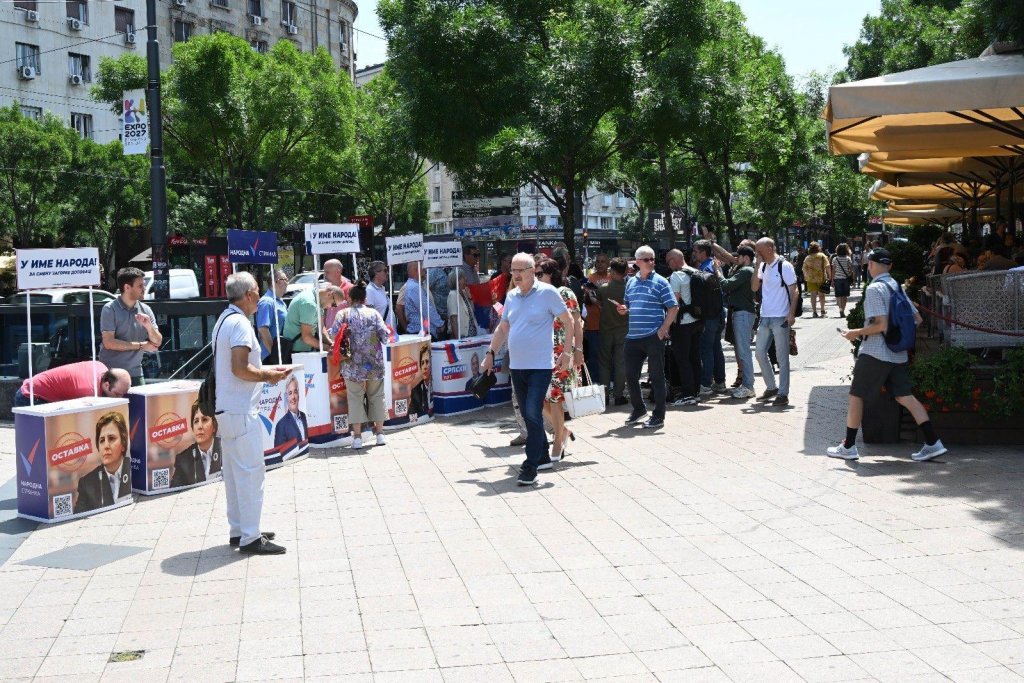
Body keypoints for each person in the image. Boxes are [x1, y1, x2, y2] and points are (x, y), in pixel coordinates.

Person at [828, 249, 947, 462]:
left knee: (856, 395)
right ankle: (932, 442)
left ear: (871, 265)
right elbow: (918, 319)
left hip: (875, 352)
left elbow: (880, 325)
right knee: (905, 396)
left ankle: (848, 446)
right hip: (898, 354)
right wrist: (897, 336)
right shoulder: (896, 286)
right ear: (889, 266)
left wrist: (855, 333)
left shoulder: (875, 289)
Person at [215, 272, 292, 555]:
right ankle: (250, 536)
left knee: (235, 474)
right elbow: (240, 368)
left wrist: (265, 373)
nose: (260, 296)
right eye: (258, 290)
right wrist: (268, 376)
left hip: (228, 408)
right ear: (248, 294)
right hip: (241, 409)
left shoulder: (225, 319)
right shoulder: (239, 323)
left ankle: (240, 530)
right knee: (250, 474)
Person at [481, 253, 574, 486]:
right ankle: (542, 455)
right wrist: (490, 354)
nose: (516, 274)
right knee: (527, 414)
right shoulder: (512, 296)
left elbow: (569, 321)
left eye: (521, 270)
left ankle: (530, 466)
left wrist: (568, 353)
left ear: (533, 271)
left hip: (540, 366)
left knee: (532, 412)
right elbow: (503, 328)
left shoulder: (548, 293)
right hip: (517, 367)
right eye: (513, 270)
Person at [615, 245, 678, 430]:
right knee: (630, 375)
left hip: (653, 336)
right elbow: (628, 306)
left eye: (652, 259)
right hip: (633, 336)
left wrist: (663, 330)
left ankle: (659, 415)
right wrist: (623, 310)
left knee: (657, 376)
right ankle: (639, 409)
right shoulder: (631, 282)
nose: (651, 262)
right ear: (637, 262)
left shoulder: (661, 282)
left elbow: (673, 307)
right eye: (646, 259)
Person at [535, 258, 584, 462]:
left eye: (540, 274)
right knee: (536, 399)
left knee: (555, 399)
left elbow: (577, 323)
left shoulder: (564, 292)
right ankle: (562, 431)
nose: (536, 278)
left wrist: (578, 350)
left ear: (551, 275)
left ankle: (557, 441)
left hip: (561, 353)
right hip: (540, 354)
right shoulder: (537, 295)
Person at [331, 281, 390, 449]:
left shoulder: (342, 314)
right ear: (365, 298)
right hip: (374, 363)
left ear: (350, 298)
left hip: (352, 364)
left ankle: (357, 438)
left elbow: (334, 334)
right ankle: (380, 434)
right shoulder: (374, 313)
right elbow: (385, 336)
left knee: (355, 398)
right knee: (377, 396)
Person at [751, 237, 799, 407]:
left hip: (780, 317)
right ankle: (771, 387)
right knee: (759, 353)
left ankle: (783, 393)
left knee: (781, 357)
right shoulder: (763, 266)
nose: (757, 253)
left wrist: (791, 314)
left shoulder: (784, 266)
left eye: (759, 250)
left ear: (770, 249)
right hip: (765, 316)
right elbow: (754, 287)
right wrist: (757, 265)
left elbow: (795, 291)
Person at [99, 266, 162, 385]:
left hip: (136, 373)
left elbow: (157, 342)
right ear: (127, 287)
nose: (144, 289)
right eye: (140, 286)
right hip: (112, 375)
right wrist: (141, 345)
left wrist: (149, 327)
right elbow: (109, 343)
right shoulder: (110, 309)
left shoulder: (146, 310)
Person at [666, 249, 703, 406]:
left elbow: (674, 303)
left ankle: (687, 394)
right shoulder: (696, 272)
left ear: (674, 260)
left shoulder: (676, 276)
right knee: (695, 357)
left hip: (683, 323)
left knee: (682, 358)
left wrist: (668, 325)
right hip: (698, 321)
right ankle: (696, 392)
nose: (668, 265)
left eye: (668, 262)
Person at [75, 411, 132, 513]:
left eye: (111, 438)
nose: (106, 446)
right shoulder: (87, 483)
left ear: (123, 444)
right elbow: (78, 516)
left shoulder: (133, 468)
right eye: (102, 440)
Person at [719, 246, 756, 399]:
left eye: (738, 257)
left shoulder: (746, 271)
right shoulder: (747, 270)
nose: (736, 259)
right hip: (742, 313)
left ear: (745, 258)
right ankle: (747, 385)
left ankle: (748, 386)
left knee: (744, 351)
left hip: (742, 313)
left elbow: (727, 285)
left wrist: (718, 272)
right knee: (743, 350)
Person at [13, 361, 130, 407]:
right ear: (107, 385)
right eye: (117, 394)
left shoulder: (101, 366)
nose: (120, 398)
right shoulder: (89, 392)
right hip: (30, 396)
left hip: (36, 386)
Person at [692, 240, 727, 396]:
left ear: (703, 252)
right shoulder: (714, 266)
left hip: (709, 316)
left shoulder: (706, 268)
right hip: (718, 314)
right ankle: (720, 382)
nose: (694, 254)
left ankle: (706, 384)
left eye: (696, 251)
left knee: (707, 349)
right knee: (716, 348)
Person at [596, 258, 629, 406]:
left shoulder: (603, 289)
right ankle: (619, 395)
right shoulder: (629, 289)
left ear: (613, 272)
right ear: (625, 272)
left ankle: (604, 396)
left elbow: (599, 302)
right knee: (620, 362)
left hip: (606, 330)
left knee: (604, 362)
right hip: (623, 330)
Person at [171, 401, 222, 488]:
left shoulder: (227, 448)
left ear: (214, 426)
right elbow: (174, 490)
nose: (199, 426)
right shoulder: (183, 460)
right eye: (196, 421)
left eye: (205, 420)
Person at [282, 284, 344, 353]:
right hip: (296, 351)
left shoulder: (318, 300)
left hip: (306, 349)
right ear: (329, 294)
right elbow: (306, 337)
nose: (331, 308)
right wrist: (327, 348)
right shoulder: (309, 304)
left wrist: (330, 343)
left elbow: (321, 327)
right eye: (333, 304)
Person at [583, 253, 611, 386]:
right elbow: (585, 301)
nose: (599, 264)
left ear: (608, 264)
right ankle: (594, 383)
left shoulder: (612, 278)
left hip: (609, 325)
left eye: (602, 261)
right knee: (593, 356)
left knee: (609, 356)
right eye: (598, 261)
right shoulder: (590, 278)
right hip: (593, 325)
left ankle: (610, 383)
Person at [403, 262, 445, 339]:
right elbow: (427, 309)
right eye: (423, 269)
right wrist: (440, 324)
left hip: (421, 332)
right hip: (421, 333)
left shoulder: (414, 286)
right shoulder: (415, 288)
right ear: (416, 270)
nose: (425, 271)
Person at [256, 269, 288, 361]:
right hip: (269, 357)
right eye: (285, 279)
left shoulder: (280, 301)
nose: (287, 283)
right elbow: (263, 330)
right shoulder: (267, 302)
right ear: (277, 281)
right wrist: (275, 355)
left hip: (280, 353)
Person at [273, 374, 308, 451]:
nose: (293, 397)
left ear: (298, 394)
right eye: (290, 393)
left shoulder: (304, 416)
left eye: (295, 392)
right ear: (286, 397)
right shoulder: (281, 425)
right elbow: (279, 453)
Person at [446, 270, 479, 339]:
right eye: (463, 277)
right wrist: (458, 339)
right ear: (457, 280)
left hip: (472, 334)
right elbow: (453, 319)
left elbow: (472, 311)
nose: (466, 279)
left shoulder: (464, 292)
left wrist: (470, 297)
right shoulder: (453, 294)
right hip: (462, 336)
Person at [802, 242, 831, 318]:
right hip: (821, 278)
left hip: (811, 279)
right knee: (822, 295)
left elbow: (804, 268)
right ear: (818, 248)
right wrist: (830, 276)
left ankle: (814, 312)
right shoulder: (822, 256)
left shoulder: (808, 258)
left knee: (813, 295)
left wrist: (805, 276)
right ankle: (822, 310)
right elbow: (827, 266)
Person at [322, 259, 352, 330]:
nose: (324, 275)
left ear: (338, 271)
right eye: (324, 272)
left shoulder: (350, 288)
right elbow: (325, 311)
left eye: (327, 272)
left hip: (343, 333)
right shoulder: (328, 288)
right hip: (329, 332)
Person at [365, 261, 396, 329]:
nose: (387, 273)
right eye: (385, 270)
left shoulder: (381, 289)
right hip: (382, 333)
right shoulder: (369, 290)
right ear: (376, 273)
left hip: (390, 333)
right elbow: (370, 317)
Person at [830, 244, 854, 318]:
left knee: (839, 295)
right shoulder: (848, 258)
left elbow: (833, 270)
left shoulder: (835, 259)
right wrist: (852, 278)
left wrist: (832, 280)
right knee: (844, 296)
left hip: (837, 279)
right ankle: (843, 310)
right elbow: (851, 270)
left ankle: (840, 309)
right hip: (846, 279)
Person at [409, 343, 432, 418]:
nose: (424, 367)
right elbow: (410, 416)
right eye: (422, 363)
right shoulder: (415, 391)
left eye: (427, 362)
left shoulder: (437, 384)